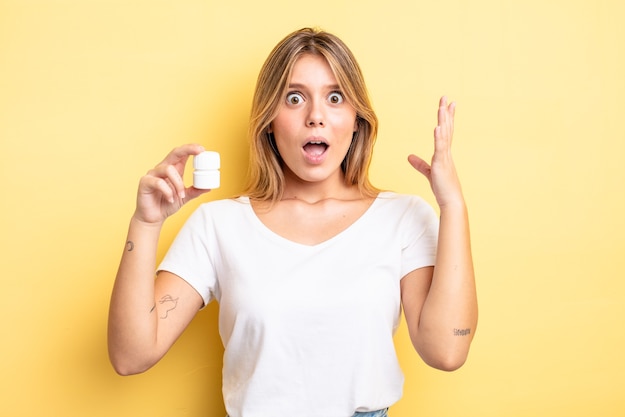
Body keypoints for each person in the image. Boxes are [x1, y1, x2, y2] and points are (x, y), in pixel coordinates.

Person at [108, 27, 478, 417]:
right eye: (295, 98)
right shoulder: (218, 224)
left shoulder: (403, 217)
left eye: (335, 98)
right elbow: (131, 355)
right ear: (269, 120)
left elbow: (447, 350)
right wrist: (145, 224)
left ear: (356, 121)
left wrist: (453, 205)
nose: (315, 116)